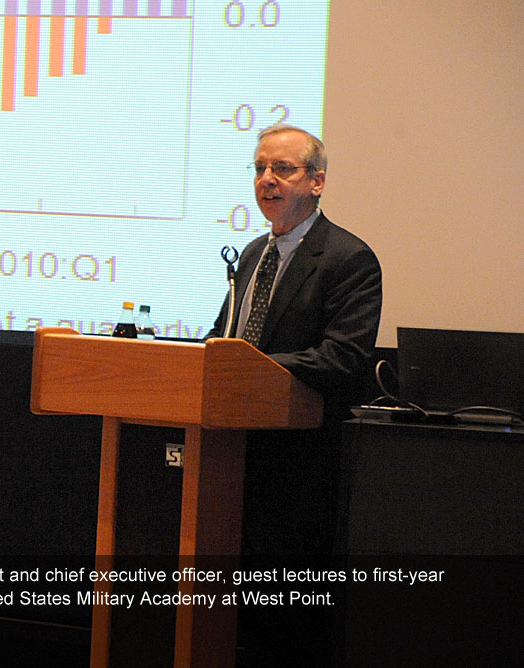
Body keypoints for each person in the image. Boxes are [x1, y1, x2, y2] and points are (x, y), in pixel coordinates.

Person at [206, 125, 382, 666]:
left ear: (318, 181)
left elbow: (342, 358)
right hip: (233, 454)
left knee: (286, 618)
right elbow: (224, 341)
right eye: (260, 168)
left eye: (282, 169)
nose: (266, 180)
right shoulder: (253, 252)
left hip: (298, 466)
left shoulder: (348, 259)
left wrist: (250, 368)